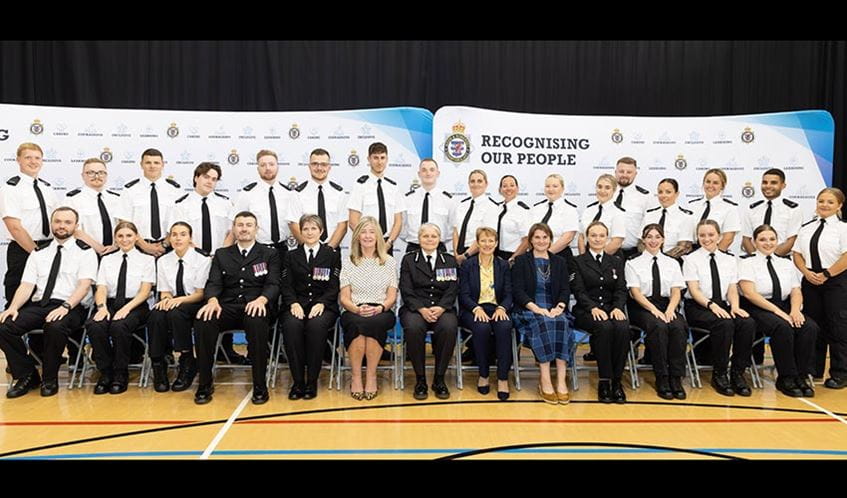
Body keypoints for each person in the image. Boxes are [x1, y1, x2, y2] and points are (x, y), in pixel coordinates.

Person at [0, 207, 96, 397]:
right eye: (58, 221)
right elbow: (27, 285)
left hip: (71, 307)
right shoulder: (38, 252)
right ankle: (27, 375)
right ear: (52, 224)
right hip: (40, 305)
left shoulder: (85, 252)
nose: (62, 226)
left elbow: (84, 286)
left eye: (67, 222)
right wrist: (13, 307)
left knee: (55, 326)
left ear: (76, 226)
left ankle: (49, 379)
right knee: (4, 326)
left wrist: (66, 306)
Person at [193, 211, 281, 405]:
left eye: (249, 225)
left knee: (257, 322)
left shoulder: (269, 253)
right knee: (204, 321)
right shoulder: (222, 254)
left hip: (257, 305)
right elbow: (214, 283)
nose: (244, 228)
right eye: (240, 225)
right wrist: (212, 301)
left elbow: (273, 284)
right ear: (233, 229)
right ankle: (205, 384)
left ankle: (259, 385)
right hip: (228, 306)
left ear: (256, 229)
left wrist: (262, 300)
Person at [739, 224, 818, 397]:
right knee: (782, 327)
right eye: (762, 240)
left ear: (777, 241)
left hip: (785, 306)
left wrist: (795, 310)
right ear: (754, 242)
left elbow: (796, 290)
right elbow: (749, 293)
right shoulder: (746, 262)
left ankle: (801, 375)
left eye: (772, 239)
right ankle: (786, 377)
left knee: (809, 327)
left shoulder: (786, 263)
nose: (768, 243)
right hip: (758, 307)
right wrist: (779, 312)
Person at [1, 143, 61, 361]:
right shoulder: (11, 188)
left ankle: (40, 354)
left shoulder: (47, 188)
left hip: (47, 246)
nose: (33, 162)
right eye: (28, 158)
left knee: (42, 300)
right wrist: (36, 252)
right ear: (18, 160)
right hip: (24, 248)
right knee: (16, 302)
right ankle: (16, 360)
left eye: (37, 158)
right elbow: (14, 226)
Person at [683, 219, 755, 397]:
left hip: (723, 305)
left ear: (719, 236)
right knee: (724, 324)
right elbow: (694, 290)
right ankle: (720, 373)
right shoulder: (690, 260)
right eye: (702, 235)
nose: (706, 239)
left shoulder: (729, 259)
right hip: (699, 306)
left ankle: (738, 372)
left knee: (747, 323)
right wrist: (712, 305)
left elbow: (731, 288)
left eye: (710, 235)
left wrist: (736, 307)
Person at [87, 222, 155, 395]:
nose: (125, 240)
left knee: (120, 326)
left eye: (129, 236)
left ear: (136, 237)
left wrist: (127, 308)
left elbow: (145, 291)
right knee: (95, 325)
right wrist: (102, 307)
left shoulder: (147, 259)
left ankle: (120, 373)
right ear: (116, 239)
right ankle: (105, 372)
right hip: (109, 303)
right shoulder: (107, 260)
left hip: (136, 304)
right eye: (121, 236)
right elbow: (101, 288)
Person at [280, 215, 341, 400]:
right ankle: (298, 381)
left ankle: (312, 381)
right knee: (291, 326)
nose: (309, 232)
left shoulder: (332, 254)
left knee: (316, 326)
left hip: (324, 306)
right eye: (305, 229)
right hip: (296, 305)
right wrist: (293, 303)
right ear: (300, 232)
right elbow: (286, 284)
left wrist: (322, 302)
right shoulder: (291, 256)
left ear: (321, 231)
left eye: (313, 229)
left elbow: (334, 285)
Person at [624, 224, 688, 400]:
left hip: (667, 305)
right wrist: (654, 310)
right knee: (658, 326)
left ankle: (676, 377)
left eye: (657, 237)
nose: (653, 240)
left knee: (678, 326)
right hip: (643, 306)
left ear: (663, 239)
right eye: (649, 237)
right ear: (643, 240)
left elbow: (676, 290)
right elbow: (635, 293)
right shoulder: (632, 262)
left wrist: (669, 309)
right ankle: (662, 377)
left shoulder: (672, 263)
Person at [147, 222, 212, 393]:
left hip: (194, 302)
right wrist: (167, 300)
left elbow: (200, 293)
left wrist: (179, 301)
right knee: (156, 314)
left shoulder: (202, 259)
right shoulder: (163, 261)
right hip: (174, 302)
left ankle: (187, 361)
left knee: (177, 313)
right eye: (174, 234)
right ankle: (158, 363)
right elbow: (165, 292)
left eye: (183, 234)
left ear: (190, 238)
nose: (178, 238)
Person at [511, 223, 572, 405]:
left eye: (545, 237)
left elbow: (564, 289)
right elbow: (518, 291)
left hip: (554, 308)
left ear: (550, 240)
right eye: (537, 237)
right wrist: (537, 309)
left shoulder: (559, 262)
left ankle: (561, 381)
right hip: (529, 309)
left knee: (562, 322)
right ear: (530, 240)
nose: (541, 241)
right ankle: (545, 379)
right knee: (544, 323)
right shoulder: (521, 261)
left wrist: (559, 307)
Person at [792, 187, 847, 388]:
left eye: (830, 202)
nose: (824, 205)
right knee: (814, 326)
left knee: (837, 327)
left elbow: (846, 257)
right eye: (821, 201)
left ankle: (840, 373)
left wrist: (827, 274)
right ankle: (812, 370)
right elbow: (796, 253)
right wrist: (806, 272)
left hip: (836, 280)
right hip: (811, 279)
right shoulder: (807, 228)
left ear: (839, 206)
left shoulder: (843, 229)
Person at [338, 216, 398, 401]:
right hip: (353, 310)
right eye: (363, 232)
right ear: (356, 236)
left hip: (381, 310)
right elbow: (344, 298)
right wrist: (356, 309)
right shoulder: (348, 262)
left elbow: (392, 297)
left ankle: (371, 376)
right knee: (357, 324)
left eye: (372, 232)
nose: (367, 236)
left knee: (374, 323)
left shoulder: (389, 262)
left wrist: (381, 307)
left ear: (378, 236)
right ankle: (356, 376)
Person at [571, 221, 631, 403]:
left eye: (601, 236)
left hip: (611, 309)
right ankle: (605, 380)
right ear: (587, 238)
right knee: (603, 328)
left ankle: (617, 381)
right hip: (586, 311)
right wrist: (593, 308)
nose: (597, 239)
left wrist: (617, 308)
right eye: (593, 235)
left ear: (607, 239)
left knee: (623, 328)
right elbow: (578, 291)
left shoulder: (616, 262)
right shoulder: (577, 261)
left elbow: (621, 289)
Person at [399, 223, 459, 400]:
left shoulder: (448, 260)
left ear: (439, 239)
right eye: (425, 236)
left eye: (433, 236)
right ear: (419, 239)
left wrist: (441, 307)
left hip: (442, 307)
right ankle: (421, 379)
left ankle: (439, 379)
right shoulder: (409, 260)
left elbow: (452, 288)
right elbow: (406, 289)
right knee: (413, 327)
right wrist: (421, 309)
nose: (430, 239)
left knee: (449, 327)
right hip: (415, 308)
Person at [459, 227, 513, 401]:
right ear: (477, 243)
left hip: (497, 308)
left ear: (496, 244)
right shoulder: (468, 265)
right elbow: (464, 294)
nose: (487, 244)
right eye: (483, 240)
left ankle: (503, 377)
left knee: (504, 327)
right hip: (473, 308)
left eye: (491, 241)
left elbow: (508, 293)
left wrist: (502, 308)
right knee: (481, 328)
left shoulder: (503, 265)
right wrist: (476, 308)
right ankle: (483, 375)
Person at [234, 149, 304, 256]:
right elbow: (236, 224)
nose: (267, 168)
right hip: (256, 251)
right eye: (263, 165)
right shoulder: (247, 193)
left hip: (283, 250)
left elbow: (295, 223)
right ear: (258, 169)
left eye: (271, 164)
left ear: (277, 166)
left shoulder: (289, 193)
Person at [120, 148, 183, 258]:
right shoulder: (130, 190)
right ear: (141, 164)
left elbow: (180, 221)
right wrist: (144, 246)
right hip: (138, 248)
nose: (152, 166)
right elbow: (124, 222)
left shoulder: (175, 190)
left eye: (156, 163)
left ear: (162, 165)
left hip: (170, 248)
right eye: (148, 162)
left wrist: (164, 244)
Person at [347, 142, 405, 253]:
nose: (379, 162)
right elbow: (353, 220)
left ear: (387, 159)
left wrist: (389, 243)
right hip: (365, 245)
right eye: (375, 158)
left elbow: (398, 221)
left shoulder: (393, 187)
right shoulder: (360, 185)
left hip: (387, 244)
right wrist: (368, 241)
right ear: (369, 159)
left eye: (382, 158)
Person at [63, 158, 125, 257]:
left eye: (101, 173)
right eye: (91, 173)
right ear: (83, 176)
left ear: (106, 175)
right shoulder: (72, 200)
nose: (97, 176)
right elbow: (75, 231)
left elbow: (124, 226)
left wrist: (115, 246)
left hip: (116, 253)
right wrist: (100, 249)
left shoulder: (117, 199)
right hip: (86, 254)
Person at [169, 162, 234, 254]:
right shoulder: (181, 205)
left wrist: (222, 255)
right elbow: (178, 235)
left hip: (220, 258)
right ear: (196, 178)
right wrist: (200, 256)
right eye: (206, 177)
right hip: (192, 257)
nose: (209, 182)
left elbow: (232, 233)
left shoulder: (226, 204)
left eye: (214, 179)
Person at [741, 168, 803, 256]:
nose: (768, 186)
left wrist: (772, 259)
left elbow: (792, 240)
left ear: (783, 186)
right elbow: (746, 239)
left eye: (773, 183)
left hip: (782, 262)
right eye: (764, 182)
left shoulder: (793, 209)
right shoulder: (752, 209)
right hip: (755, 262)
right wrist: (757, 258)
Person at [294, 148, 348, 249]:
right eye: (315, 164)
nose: (319, 168)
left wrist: (328, 250)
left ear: (329, 167)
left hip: (332, 251)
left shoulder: (339, 193)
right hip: (306, 252)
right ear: (309, 166)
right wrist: (311, 249)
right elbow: (294, 225)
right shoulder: (298, 194)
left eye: (323, 164)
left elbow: (342, 226)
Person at [401, 158, 455, 254]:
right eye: (424, 170)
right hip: (414, 248)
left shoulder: (448, 200)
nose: (428, 173)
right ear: (419, 174)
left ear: (438, 173)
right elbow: (401, 226)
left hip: (439, 248)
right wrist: (414, 239)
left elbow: (453, 227)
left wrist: (438, 239)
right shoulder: (408, 199)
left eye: (432, 170)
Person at [523, 174, 580, 258]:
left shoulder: (570, 209)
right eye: (547, 186)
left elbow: (568, 237)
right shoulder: (536, 208)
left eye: (555, 186)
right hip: (534, 255)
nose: (551, 189)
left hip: (560, 256)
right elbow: (529, 234)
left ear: (562, 189)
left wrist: (546, 253)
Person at [453, 169, 500, 264]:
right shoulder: (462, 205)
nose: (475, 184)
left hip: (477, 255)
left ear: (486, 184)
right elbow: (455, 231)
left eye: (479, 181)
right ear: (469, 184)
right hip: (458, 255)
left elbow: (486, 236)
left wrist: (466, 255)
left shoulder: (491, 207)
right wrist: (456, 254)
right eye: (472, 181)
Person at [640, 178, 696, 258]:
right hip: (647, 260)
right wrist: (649, 257)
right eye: (660, 192)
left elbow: (683, 247)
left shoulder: (686, 217)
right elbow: (640, 242)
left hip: (673, 262)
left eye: (668, 192)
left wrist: (662, 260)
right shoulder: (649, 214)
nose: (663, 195)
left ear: (677, 194)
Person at [687, 168, 741, 252]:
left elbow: (728, 239)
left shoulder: (730, 208)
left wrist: (714, 256)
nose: (710, 185)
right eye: (708, 182)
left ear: (722, 186)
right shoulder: (691, 205)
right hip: (691, 253)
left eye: (715, 183)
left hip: (716, 253)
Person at [613, 157, 653, 259]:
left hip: (633, 253)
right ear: (615, 172)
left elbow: (649, 227)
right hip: (608, 252)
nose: (624, 175)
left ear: (635, 174)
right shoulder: (607, 193)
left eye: (629, 172)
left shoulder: (645, 197)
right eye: (621, 171)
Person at [578, 174, 627, 256]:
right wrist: (584, 259)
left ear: (614, 190)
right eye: (599, 187)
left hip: (609, 258)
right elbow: (581, 236)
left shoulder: (618, 212)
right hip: (586, 257)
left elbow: (617, 241)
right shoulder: (588, 210)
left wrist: (598, 258)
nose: (602, 191)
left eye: (607, 188)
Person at [492, 175, 530, 262]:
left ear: (517, 189)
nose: (508, 188)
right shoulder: (496, 208)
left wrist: (512, 259)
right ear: (500, 190)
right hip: (494, 256)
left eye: (512, 185)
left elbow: (527, 240)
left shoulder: (523, 211)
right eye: (504, 186)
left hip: (514, 256)